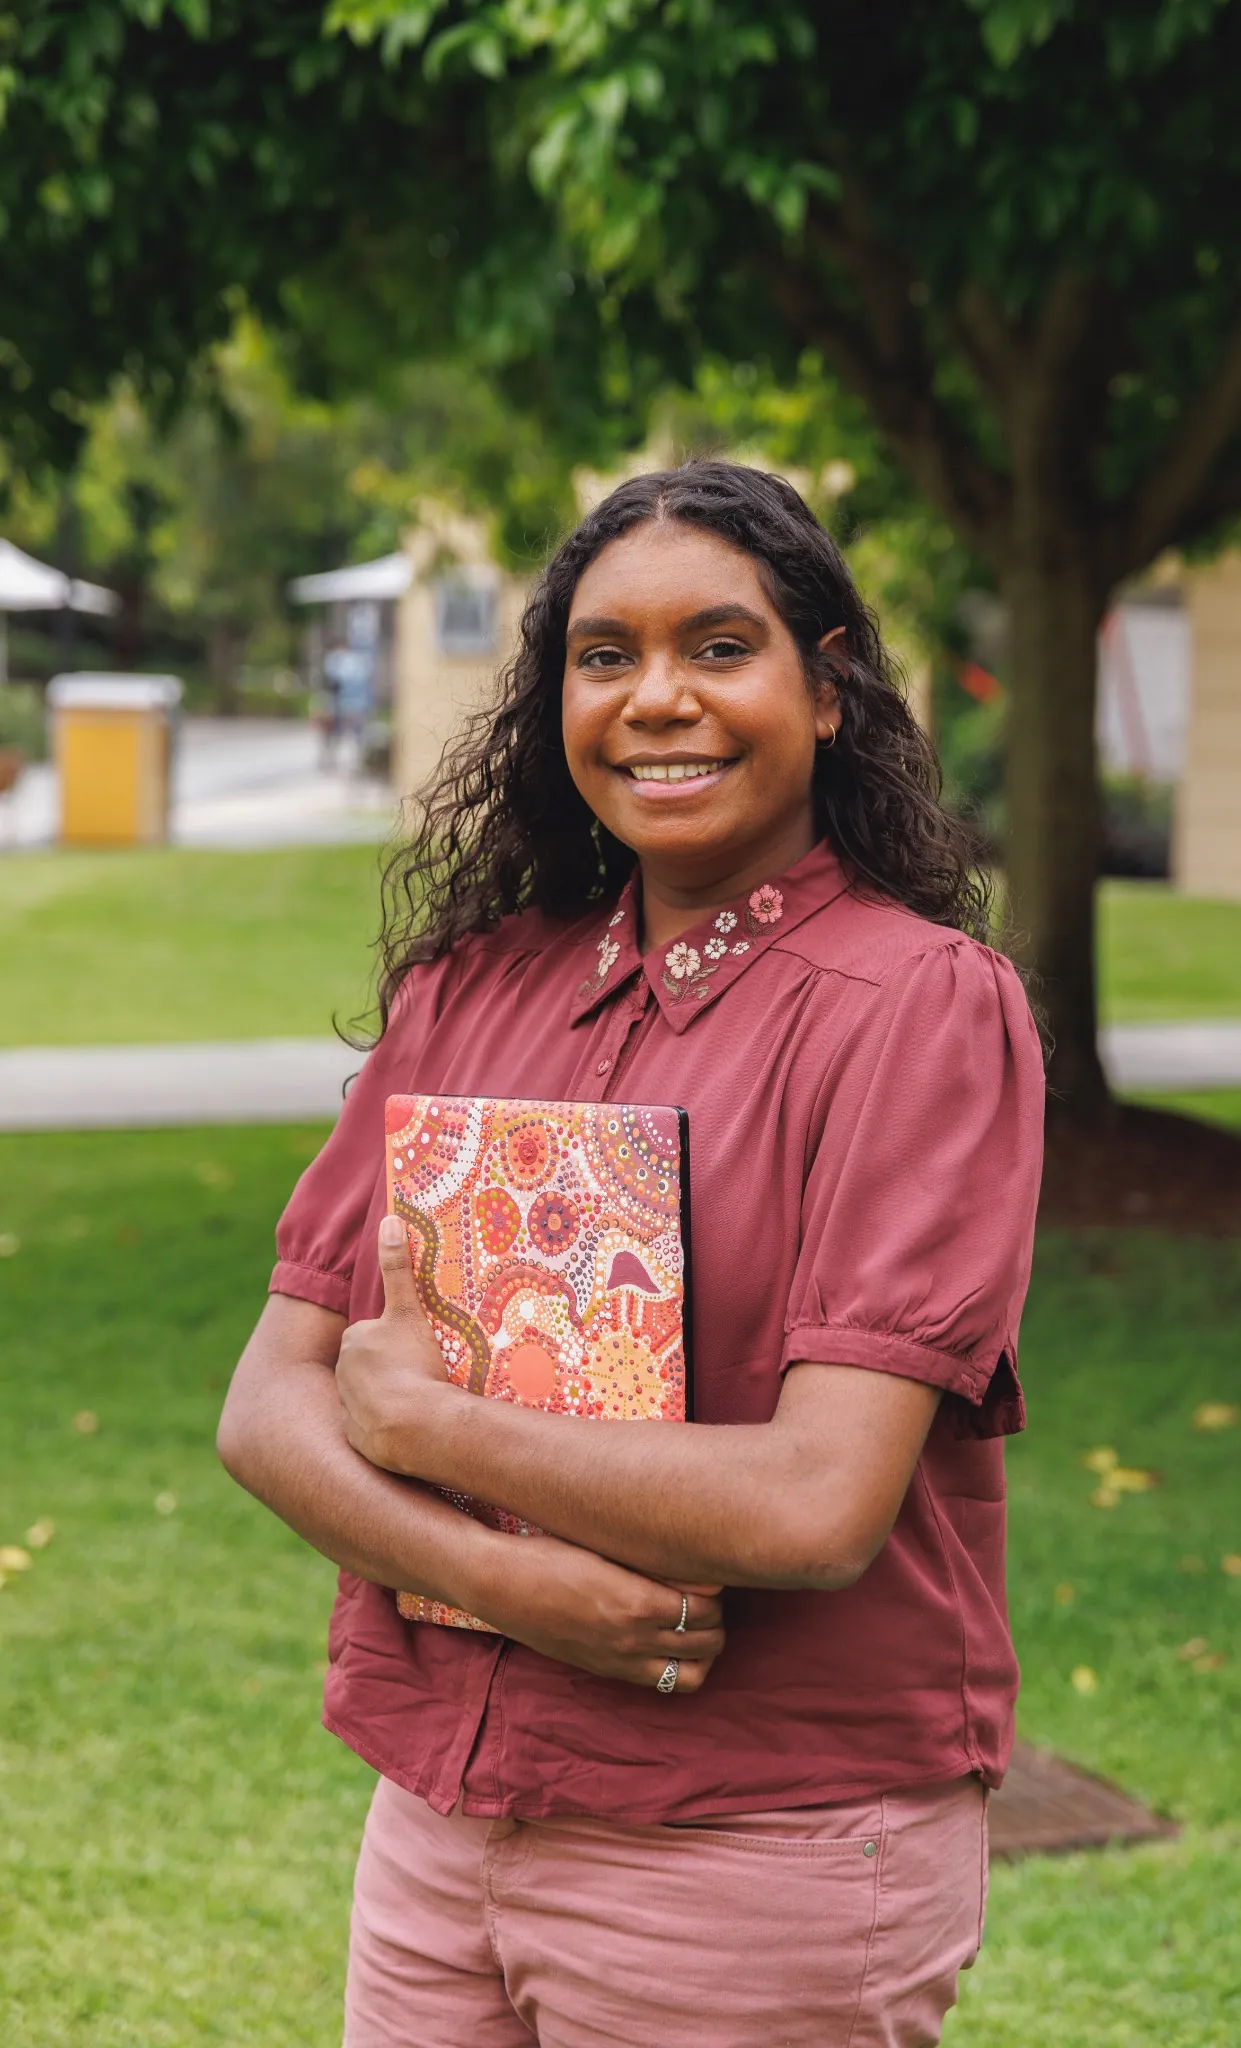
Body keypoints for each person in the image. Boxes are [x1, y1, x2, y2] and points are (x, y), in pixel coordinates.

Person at [218, 461, 1045, 2047]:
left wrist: (432, 1429)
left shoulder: (916, 1008)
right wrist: (506, 1579)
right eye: (606, 657)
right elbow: (267, 1403)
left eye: (719, 647)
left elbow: (816, 1505)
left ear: (828, 690)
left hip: (752, 1849)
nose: (657, 698)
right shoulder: (472, 990)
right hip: (442, 1824)